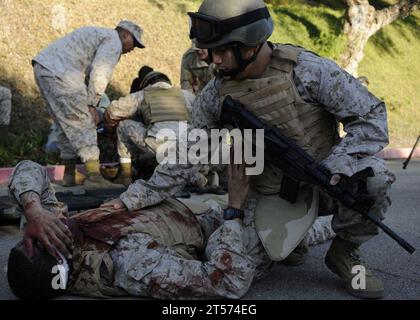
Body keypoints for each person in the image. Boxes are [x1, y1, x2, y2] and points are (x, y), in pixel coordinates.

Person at [105, 0, 396, 299]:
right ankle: (291, 240)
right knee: (236, 265)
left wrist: (341, 163)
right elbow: (187, 156)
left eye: (220, 51)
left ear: (250, 44)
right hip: (270, 194)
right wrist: (133, 198)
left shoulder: (308, 72)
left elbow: (371, 117)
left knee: (374, 179)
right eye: (209, 51)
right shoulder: (215, 95)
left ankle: (345, 251)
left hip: (332, 180)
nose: (212, 61)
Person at [7, 160, 333, 300]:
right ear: (57, 253)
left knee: (269, 190)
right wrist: (234, 209)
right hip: (220, 241)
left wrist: (34, 209)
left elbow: (28, 170)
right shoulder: (127, 264)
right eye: (39, 238)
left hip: (196, 217)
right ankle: (330, 227)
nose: (47, 225)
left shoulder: (56, 228)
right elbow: (226, 282)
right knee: (276, 229)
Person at [32, 20, 145, 189]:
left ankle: (69, 175)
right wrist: (92, 104)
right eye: (134, 42)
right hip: (62, 73)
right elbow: (100, 72)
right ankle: (94, 177)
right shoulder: (113, 41)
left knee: (66, 124)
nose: (133, 48)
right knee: (84, 122)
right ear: (125, 34)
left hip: (45, 68)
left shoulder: (100, 34)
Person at [103, 66, 203, 187]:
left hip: (157, 146)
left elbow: (113, 111)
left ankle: (125, 175)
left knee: (123, 126)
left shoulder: (144, 94)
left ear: (147, 85)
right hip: (187, 148)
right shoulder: (187, 95)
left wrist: (110, 126)